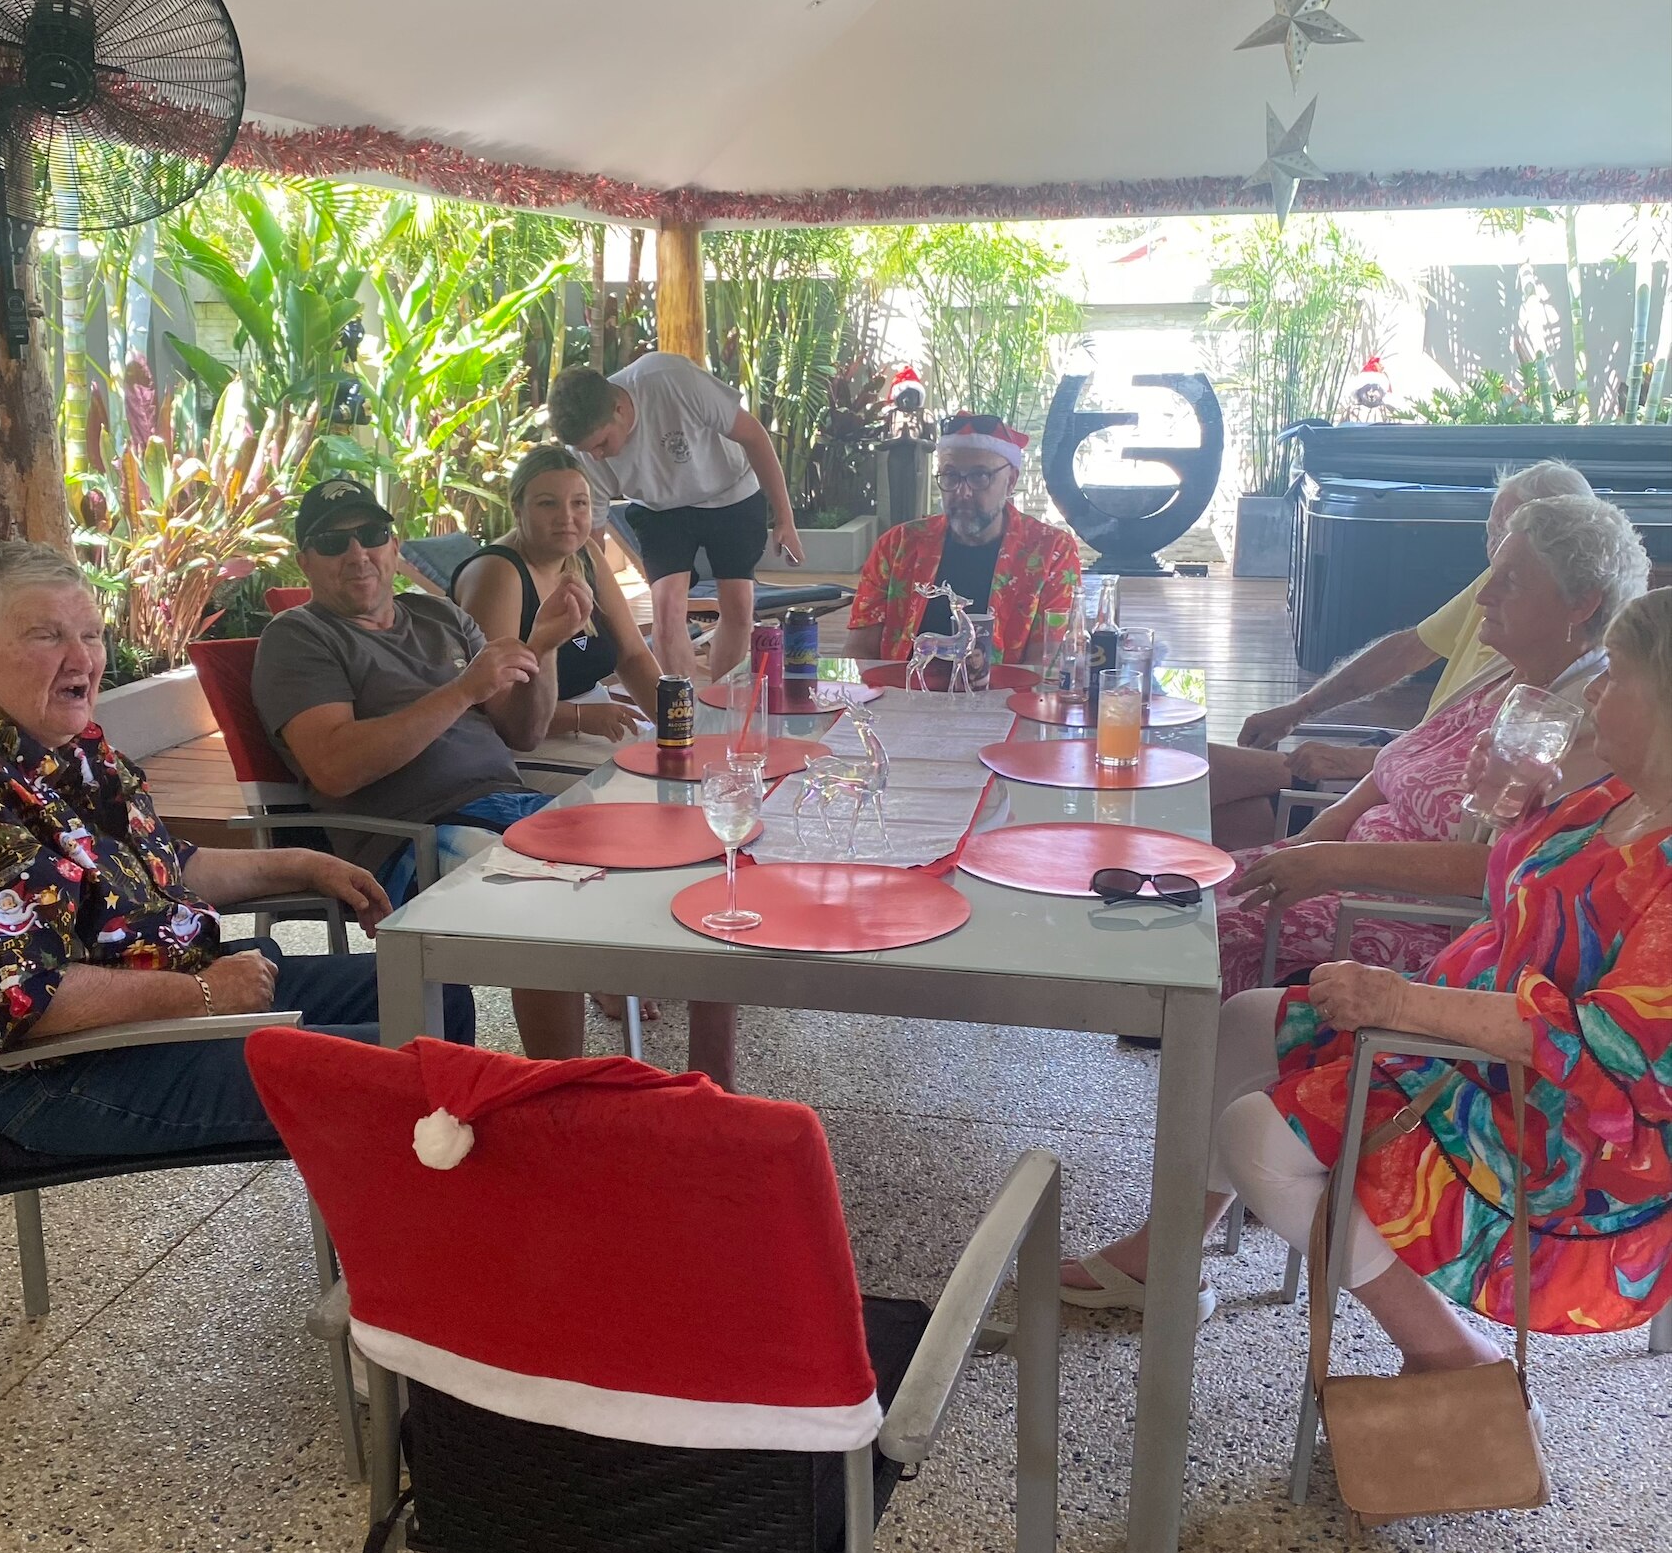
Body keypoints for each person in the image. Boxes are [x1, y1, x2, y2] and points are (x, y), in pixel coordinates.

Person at [1066, 585, 1672, 1361]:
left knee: (1259, 1136)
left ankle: (1451, 1360)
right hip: (1479, 1055)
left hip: (1570, 1143)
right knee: (1245, 1018)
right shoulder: (1622, 800)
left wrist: (1401, 1001)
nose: (1594, 691)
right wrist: (1519, 813)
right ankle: (1168, 1260)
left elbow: (1614, 1051)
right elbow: (1516, 897)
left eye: (1616, 675)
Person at [0, 541, 396, 1158]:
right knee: (401, 1068)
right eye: (46, 636)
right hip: (62, 1073)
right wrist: (207, 996)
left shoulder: (73, 747)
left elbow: (168, 865)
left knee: (429, 1001)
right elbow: (30, 996)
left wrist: (306, 864)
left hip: (155, 1006)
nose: (81, 658)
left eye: (90, 634)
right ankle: (417, 1249)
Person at [254, 476, 738, 1085]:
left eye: (372, 535)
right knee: (547, 895)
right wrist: (460, 691)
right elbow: (334, 765)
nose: (358, 554)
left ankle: (716, 1082)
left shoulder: (436, 614)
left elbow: (523, 731)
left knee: (696, 849)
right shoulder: (299, 638)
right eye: (333, 542)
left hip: (511, 806)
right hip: (413, 834)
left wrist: (546, 646)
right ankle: (560, 1100)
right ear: (305, 560)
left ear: (394, 544)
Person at [1210, 493, 1647, 1000]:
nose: (1485, 595)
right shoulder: (1506, 668)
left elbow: (1501, 868)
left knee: (1206, 927)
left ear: (1581, 603)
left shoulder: (1576, 723)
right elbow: (1396, 763)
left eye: (1510, 582)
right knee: (1186, 890)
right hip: (1340, 871)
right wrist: (1315, 838)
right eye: (1492, 574)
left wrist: (1334, 862)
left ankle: (1197, 1064)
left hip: (1417, 921)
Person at [1211, 460, 1595, 847]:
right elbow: (1407, 650)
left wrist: (1355, 763)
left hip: (1397, 787)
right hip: (1401, 759)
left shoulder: (1553, 672)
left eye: (1513, 533)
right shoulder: (1497, 592)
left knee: (1202, 789)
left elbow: (1487, 826)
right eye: (1494, 532)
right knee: (1195, 785)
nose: (1495, 554)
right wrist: (1301, 708)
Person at [547, 357, 802, 681]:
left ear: (620, 410)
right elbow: (592, 540)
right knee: (666, 608)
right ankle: (678, 716)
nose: (595, 456)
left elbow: (753, 435)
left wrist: (785, 519)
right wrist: (585, 593)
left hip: (731, 493)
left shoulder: (671, 380)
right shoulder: (585, 451)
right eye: (587, 450)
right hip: (658, 509)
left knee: (738, 604)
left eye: (601, 444)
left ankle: (718, 705)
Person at [449, 444, 661, 749]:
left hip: (596, 723)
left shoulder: (586, 554)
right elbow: (495, 706)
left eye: (579, 503)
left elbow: (633, 656)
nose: (567, 517)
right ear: (517, 509)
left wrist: (677, 725)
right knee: (641, 786)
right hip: (520, 745)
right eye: (548, 504)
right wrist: (580, 717)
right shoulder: (499, 574)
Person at [842, 411, 1082, 668]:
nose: (962, 492)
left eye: (980, 476)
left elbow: (1046, 664)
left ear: (1011, 481)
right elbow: (860, 652)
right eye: (951, 476)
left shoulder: (1051, 551)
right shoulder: (896, 546)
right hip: (901, 697)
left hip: (1004, 702)